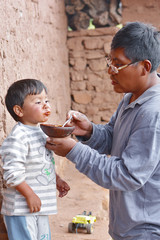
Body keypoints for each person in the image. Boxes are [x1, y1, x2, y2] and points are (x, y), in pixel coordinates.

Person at [45, 22, 160, 240]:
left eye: (118, 65)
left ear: (145, 66)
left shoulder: (154, 114)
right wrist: (89, 131)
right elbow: (114, 138)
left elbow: (127, 175)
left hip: (146, 231)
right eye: (110, 61)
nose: (110, 71)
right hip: (128, 226)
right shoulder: (131, 98)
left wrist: (74, 151)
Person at [0, 79, 70, 240]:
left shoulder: (41, 132)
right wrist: (29, 195)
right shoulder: (18, 137)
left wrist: (56, 180)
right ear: (19, 110)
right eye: (38, 101)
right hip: (21, 209)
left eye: (46, 100)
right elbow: (11, 173)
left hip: (38, 206)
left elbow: (42, 163)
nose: (46, 105)